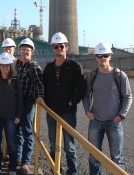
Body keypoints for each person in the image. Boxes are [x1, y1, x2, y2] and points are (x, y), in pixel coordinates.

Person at [83, 42, 133, 175]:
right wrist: (88, 111)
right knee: (94, 156)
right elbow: (86, 96)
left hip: (114, 122)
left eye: (105, 55)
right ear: (95, 58)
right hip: (96, 121)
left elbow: (128, 97)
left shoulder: (120, 76)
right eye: (99, 55)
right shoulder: (91, 76)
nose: (102, 58)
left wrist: (121, 116)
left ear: (110, 57)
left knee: (117, 158)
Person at [42, 32, 86, 175]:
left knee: (69, 145)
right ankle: (56, 170)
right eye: (55, 46)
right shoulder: (48, 68)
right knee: (54, 144)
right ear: (53, 48)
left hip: (68, 112)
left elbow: (81, 87)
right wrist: (43, 100)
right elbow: (43, 86)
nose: (58, 49)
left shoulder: (74, 67)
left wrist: (72, 101)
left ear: (66, 47)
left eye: (61, 46)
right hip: (52, 112)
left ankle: (72, 172)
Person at [0, 52, 23, 175]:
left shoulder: (16, 81)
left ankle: (12, 169)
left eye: (7, 65)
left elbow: (20, 100)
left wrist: (18, 115)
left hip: (11, 117)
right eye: (2, 65)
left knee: (11, 142)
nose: (5, 67)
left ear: (10, 66)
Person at [15, 38, 44, 175]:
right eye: (23, 49)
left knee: (27, 131)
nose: (25, 51)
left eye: (28, 49)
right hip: (17, 102)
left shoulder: (35, 67)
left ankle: (26, 163)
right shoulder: (19, 65)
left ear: (32, 52)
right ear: (19, 51)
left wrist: (40, 97)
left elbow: (40, 84)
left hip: (28, 102)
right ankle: (18, 158)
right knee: (17, 131)